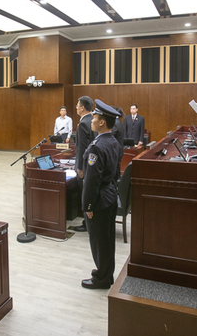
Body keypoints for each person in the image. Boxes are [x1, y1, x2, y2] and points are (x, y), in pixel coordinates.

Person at [80, 99, 121, 289]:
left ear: (102, 122)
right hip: (110, 195)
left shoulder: (97, 147)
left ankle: (102, 278)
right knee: (107, 240)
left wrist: (88, 206)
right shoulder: (112, 141)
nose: (92, 120)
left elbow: (91, 181)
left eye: (95, 117)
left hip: (99, 200)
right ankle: (106, 274)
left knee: (99, 242)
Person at [69, 96, 97, 232]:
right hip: (93, 164)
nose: (76, 107)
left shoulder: (83, 124)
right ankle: (90, 222)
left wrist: (80, 167)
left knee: (85, 194)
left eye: (77, 105)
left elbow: (82, 148)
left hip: (84, 167)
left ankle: (87, 224)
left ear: (82, 108)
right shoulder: (94, 120)